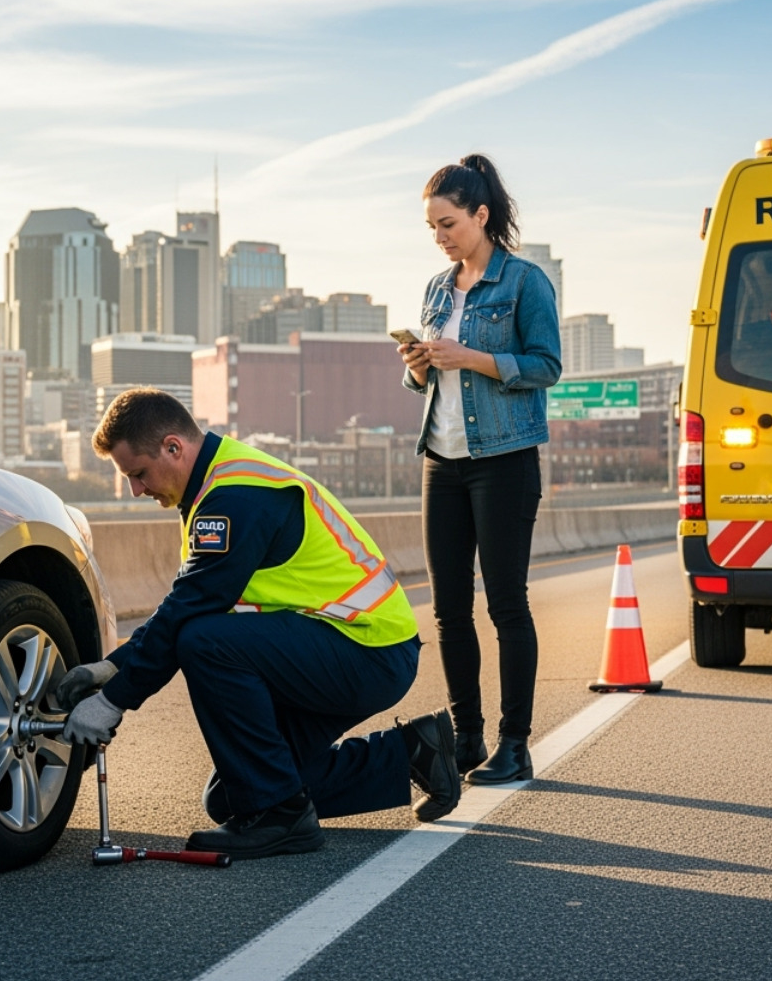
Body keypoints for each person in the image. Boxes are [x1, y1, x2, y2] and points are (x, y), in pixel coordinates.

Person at [56, 389, 461, 859]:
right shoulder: (217, 484)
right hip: (342, 648)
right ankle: (412, 752)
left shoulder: (237, 495)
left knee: (204, 642)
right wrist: (113, 667)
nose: (136, 490)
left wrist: (113, 701)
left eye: (138, 473)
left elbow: (190, 609)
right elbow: (187, 602)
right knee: (233, 795)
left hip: (367, 649)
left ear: (173, 447)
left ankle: (283, 818)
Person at [398, 154, 561, 786]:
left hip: (504, 460)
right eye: (432, 228)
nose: (440, 237)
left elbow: (546, 366)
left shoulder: (524, 282)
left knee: (507, 605)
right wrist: (417, 366)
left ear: (481, 215)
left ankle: (514, 745)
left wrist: (470, 356)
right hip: (442, 461)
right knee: (447, 609)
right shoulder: (437, 289)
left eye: (448, 224)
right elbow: (424, 383)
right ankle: (466, 738)